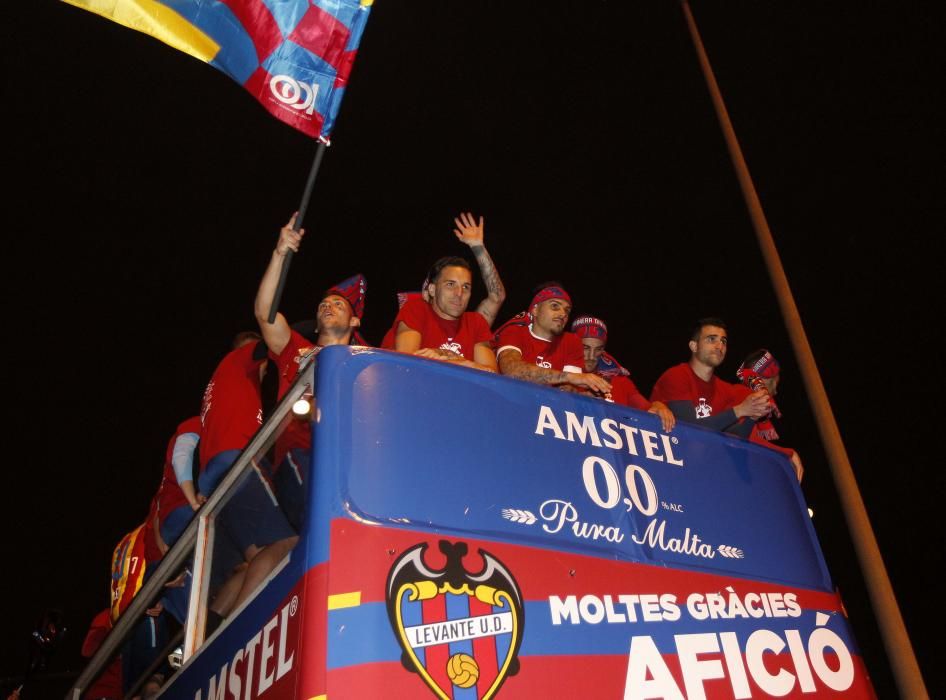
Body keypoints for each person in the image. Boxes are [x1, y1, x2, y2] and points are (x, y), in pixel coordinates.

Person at [255, 214, 367, 530]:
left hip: (347, 459)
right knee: (323, 521)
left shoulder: (364, 366)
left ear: (355, 321)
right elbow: (265, 314)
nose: (327, 307)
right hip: (300, 453)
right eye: (322, 306)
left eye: (338, 304)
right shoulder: (295, 348)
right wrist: (280, 253)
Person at [650, 318, 802, 479]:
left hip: (704, 473)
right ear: (694, 346)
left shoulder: (725, 389)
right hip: (668, 469)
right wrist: (739, 410)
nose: (719, 345)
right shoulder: (677, 375)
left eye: (723, 341)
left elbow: (734, 438)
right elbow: (690, 429)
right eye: (711, 339)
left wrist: (751, 416)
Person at [382, 256, 497, 372]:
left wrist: (451, 357)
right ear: (432, 290)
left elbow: (492, 375)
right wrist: (465, 364)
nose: (459, 293)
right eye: (450, 284)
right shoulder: (416, 310)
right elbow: (408, 363)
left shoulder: (476, 322)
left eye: (465, 287)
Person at [570, 315, 675, 432]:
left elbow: (648, 408)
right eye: (585, 348)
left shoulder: (619, 380)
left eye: (598, 349)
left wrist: (658, 406)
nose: (591, 356)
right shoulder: (559, 367)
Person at [736, 348, 804, 480]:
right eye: (775, 385)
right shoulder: (743, 395)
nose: (776, 392)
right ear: (769, 380)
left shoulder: (742, 394)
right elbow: (747, 439)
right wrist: (788, 454)